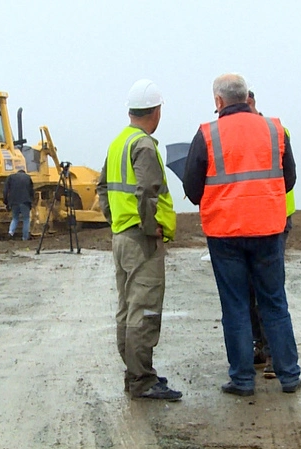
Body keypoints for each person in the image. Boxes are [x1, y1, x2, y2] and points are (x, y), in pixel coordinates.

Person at [182, 73, 301, 396]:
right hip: (268, 229)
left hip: (225, 233)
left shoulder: (208, 134)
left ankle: (242, 379)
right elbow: (288, 179)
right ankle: (289, 376)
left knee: (235, 306)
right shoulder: (275, 130)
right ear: (247, 97)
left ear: (218, 101)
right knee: (274, 303)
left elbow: (192, 188)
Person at [96, 79, 181, 401]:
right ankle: (142, 380)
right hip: (139, 239)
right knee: (144, 310)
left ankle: (135, 375)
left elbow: (102, 187)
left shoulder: (119, 142)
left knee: (127, 308)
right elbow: (147, 190)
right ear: (156, 111)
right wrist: (148, 228)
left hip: (122, 236)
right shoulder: (143, 145)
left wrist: (115, 220)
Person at [245, 89, 296, 380]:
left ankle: (274, 354)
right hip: (251, 218)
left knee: (267, 288)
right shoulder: (237, 134)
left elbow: (288, 177)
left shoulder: (276, 131)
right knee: (250, 289)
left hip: (274, 218)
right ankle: (261, 347)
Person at [3, 169, 34, 241]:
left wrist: (6, 202)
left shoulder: (10, 177)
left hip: (14, 202)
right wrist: (31, 201)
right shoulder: (27, 177)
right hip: (25, 201)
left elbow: (5, 191)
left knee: (15, 218)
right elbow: (31, 191)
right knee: (26, 219)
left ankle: (10, 233)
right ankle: (25, 237)